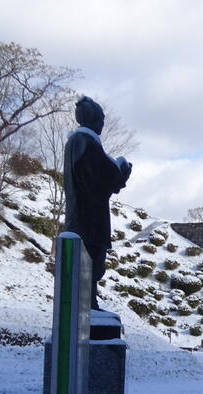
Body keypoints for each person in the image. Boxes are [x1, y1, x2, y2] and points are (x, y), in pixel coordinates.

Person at [63, 96, 132, 310]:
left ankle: (86, 303)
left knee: (87, 264)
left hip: (79, 217)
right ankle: (87, 305)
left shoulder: (75, 143)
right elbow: (105, 178)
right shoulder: (87, 143)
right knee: (91, 263)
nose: (103, 123)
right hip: (90, 218)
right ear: (93, 119)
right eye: (101, 119)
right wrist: (123, 169)